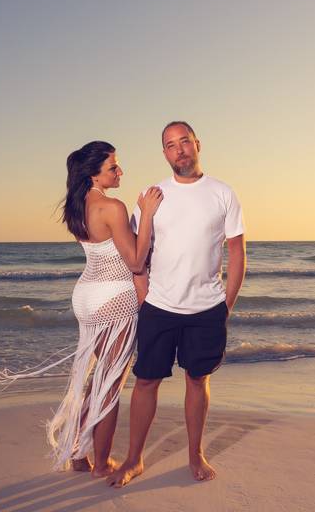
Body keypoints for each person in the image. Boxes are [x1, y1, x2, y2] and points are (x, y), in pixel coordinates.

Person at [0, 140, 163, 476]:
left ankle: (77, 453)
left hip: (87, 296)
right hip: (115, 298)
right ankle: (101, 463)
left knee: (98, 378)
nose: (120, 171)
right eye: (113, 167)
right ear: (93, 174)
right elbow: (134, 260)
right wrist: (146, 215)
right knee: (110, 382)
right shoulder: (112, 207)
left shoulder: (76, 208)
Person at [109, 121, 246, 487]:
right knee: (146, 381)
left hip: (206, 309)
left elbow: (237, 252)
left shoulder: (223, 193)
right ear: (165, 153)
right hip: (159, 307)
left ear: (197, 144)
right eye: (171, 145)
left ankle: (195, 454)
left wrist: (225, 306)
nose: (179, 149)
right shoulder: (152, 196)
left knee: (197, 379)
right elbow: (139, 254)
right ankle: (134, 459)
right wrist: (144, 300)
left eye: (184, 141)